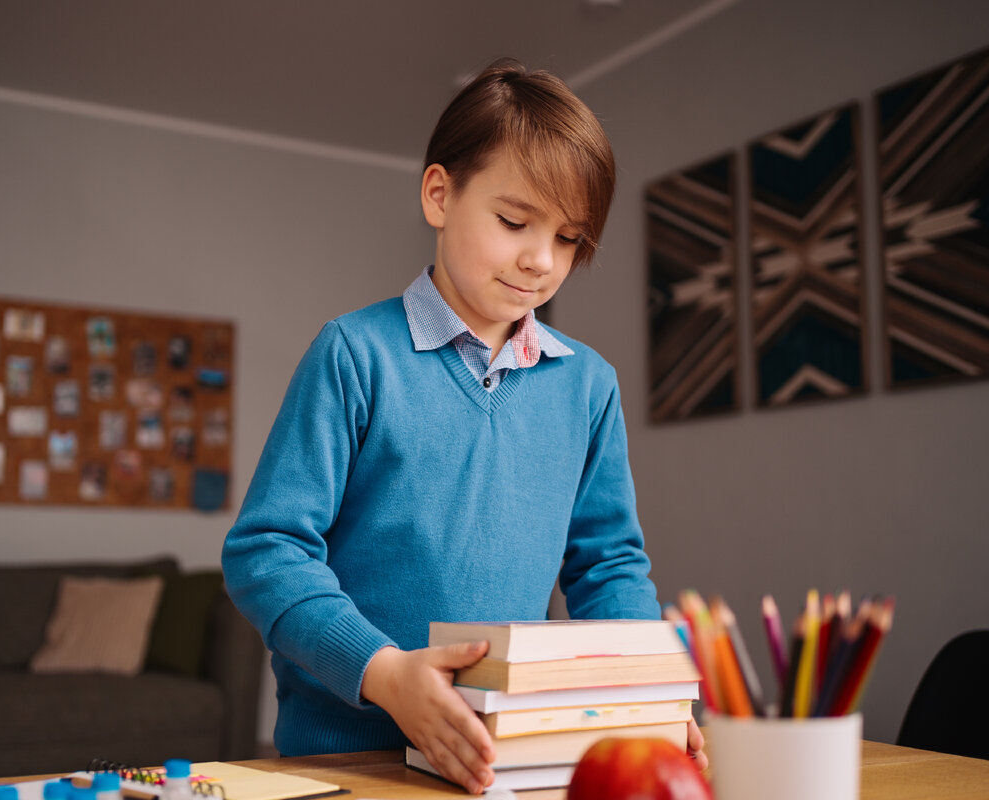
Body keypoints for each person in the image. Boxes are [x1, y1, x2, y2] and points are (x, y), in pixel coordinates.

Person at [221, 57, 706, 793]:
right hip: (347, 761)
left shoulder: (588, 386)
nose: (540, 260)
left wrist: (648, 696)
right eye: (514, 221)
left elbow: (608, 567)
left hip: (504, 764)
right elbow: (267, 550)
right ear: (440, 195)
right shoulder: (354, 354)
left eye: (569, 238)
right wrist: (386, 675)